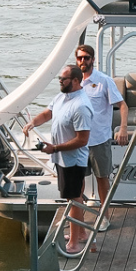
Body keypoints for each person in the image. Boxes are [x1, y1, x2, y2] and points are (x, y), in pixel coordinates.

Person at [21, 65, 92, 255]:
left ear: (76, 81)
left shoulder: (81, 106)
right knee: (72, 197)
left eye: (64, 79)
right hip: (61, 158)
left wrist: (55, 148)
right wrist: (33, 122)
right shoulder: (62, 97)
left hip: (73, 160)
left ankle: (74, 244)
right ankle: (82, 233)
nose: (60, 81)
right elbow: (48, 113)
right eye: (59, 78)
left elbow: (82, 139)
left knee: (74, 199)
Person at [72, 44, 129, 198]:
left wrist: (123, 128)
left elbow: (122, 105)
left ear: (93, 60)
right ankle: (78, 215)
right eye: (80, 58)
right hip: (78, 141)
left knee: (102, 179)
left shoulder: (104, 81)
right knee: (78, 180)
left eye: (86, 58)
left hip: (99, 140)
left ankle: (104, 215)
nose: (83, 61)